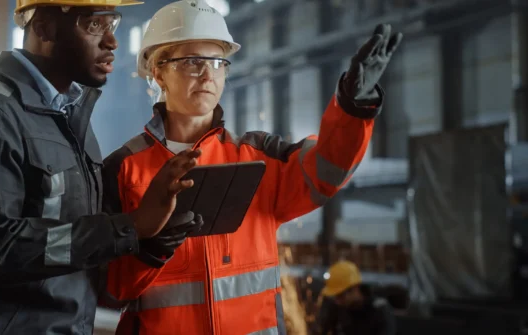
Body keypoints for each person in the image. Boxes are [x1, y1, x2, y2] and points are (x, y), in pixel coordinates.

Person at [100, 0, 403, 333]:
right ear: (158, 71)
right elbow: (109, 291)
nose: (206, 73)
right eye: (191, 61)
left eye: (216, 62)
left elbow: (326, 171)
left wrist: (352, 107)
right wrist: (150, 249)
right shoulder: (123, 170)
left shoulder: (259, 157)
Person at [0, 0, 204, 333]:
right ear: (44, 27)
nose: (112, 42)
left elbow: (71, 244)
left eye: (113, 25)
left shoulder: (69, 115)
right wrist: (128, 227)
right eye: (94, 25)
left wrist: (148, 242)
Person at [313, 260, 396, 335]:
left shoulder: (379, 310)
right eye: (335, 296)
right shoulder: (338, 309)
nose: (337, 301)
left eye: (340, 296)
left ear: (355, 288)